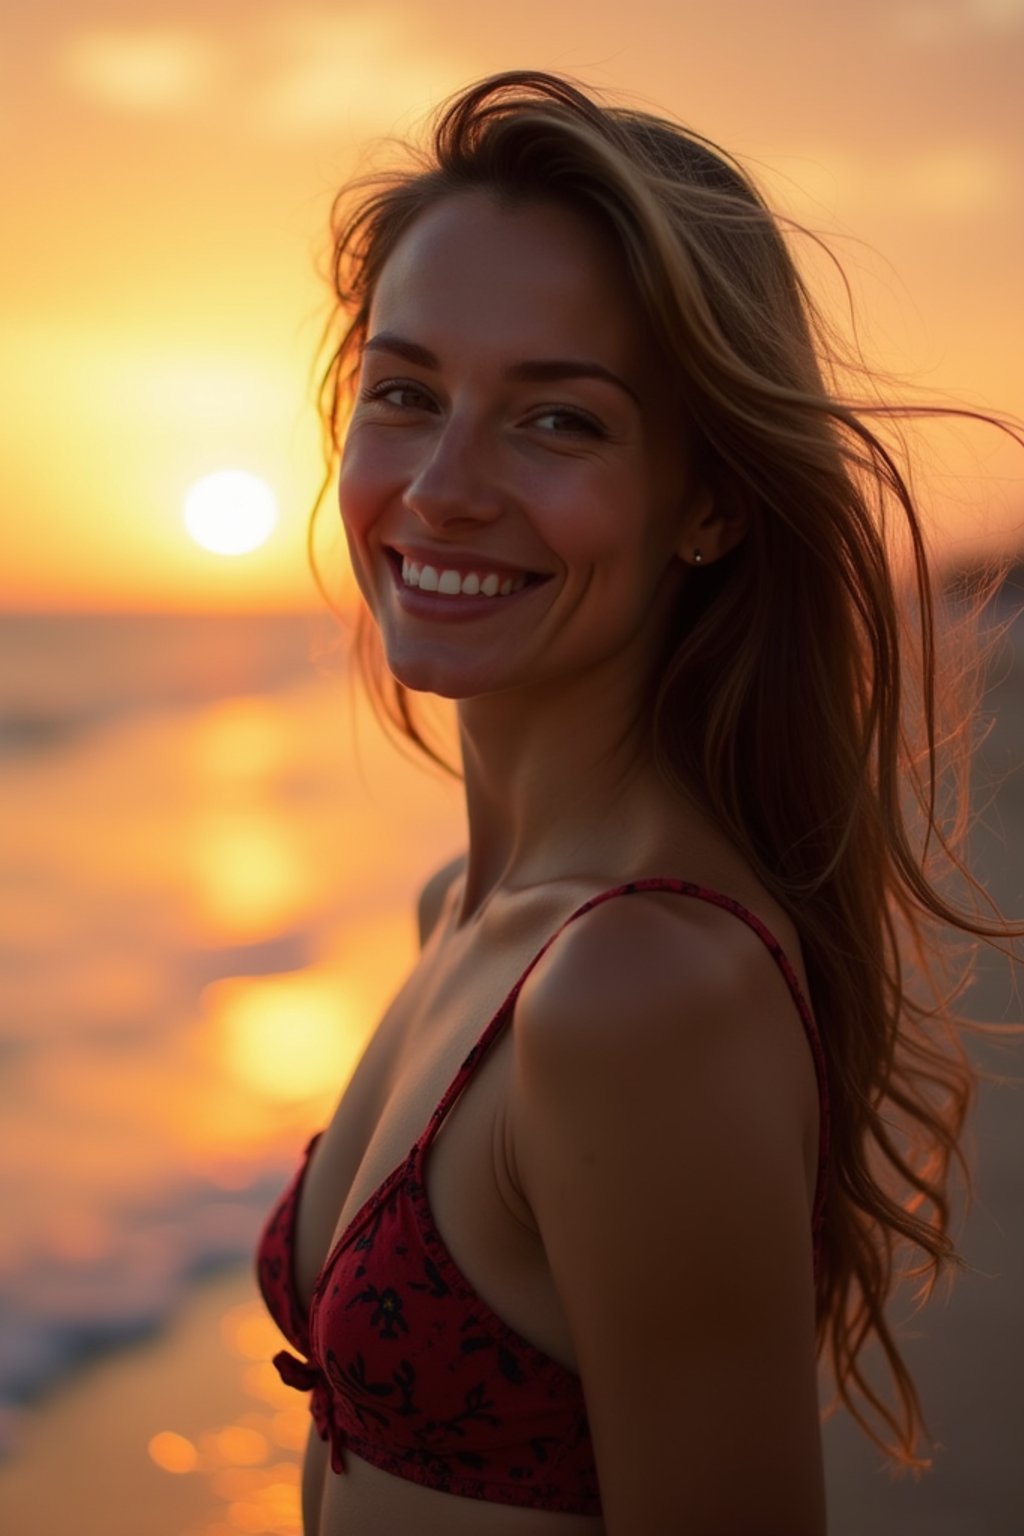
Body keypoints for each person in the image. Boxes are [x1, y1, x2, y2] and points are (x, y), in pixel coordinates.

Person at [256, 70, 1017, 1535]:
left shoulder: (642, 988)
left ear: (713, 501)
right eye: (406, 395)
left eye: (559, 422)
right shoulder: (467, 914)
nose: (444, 488)